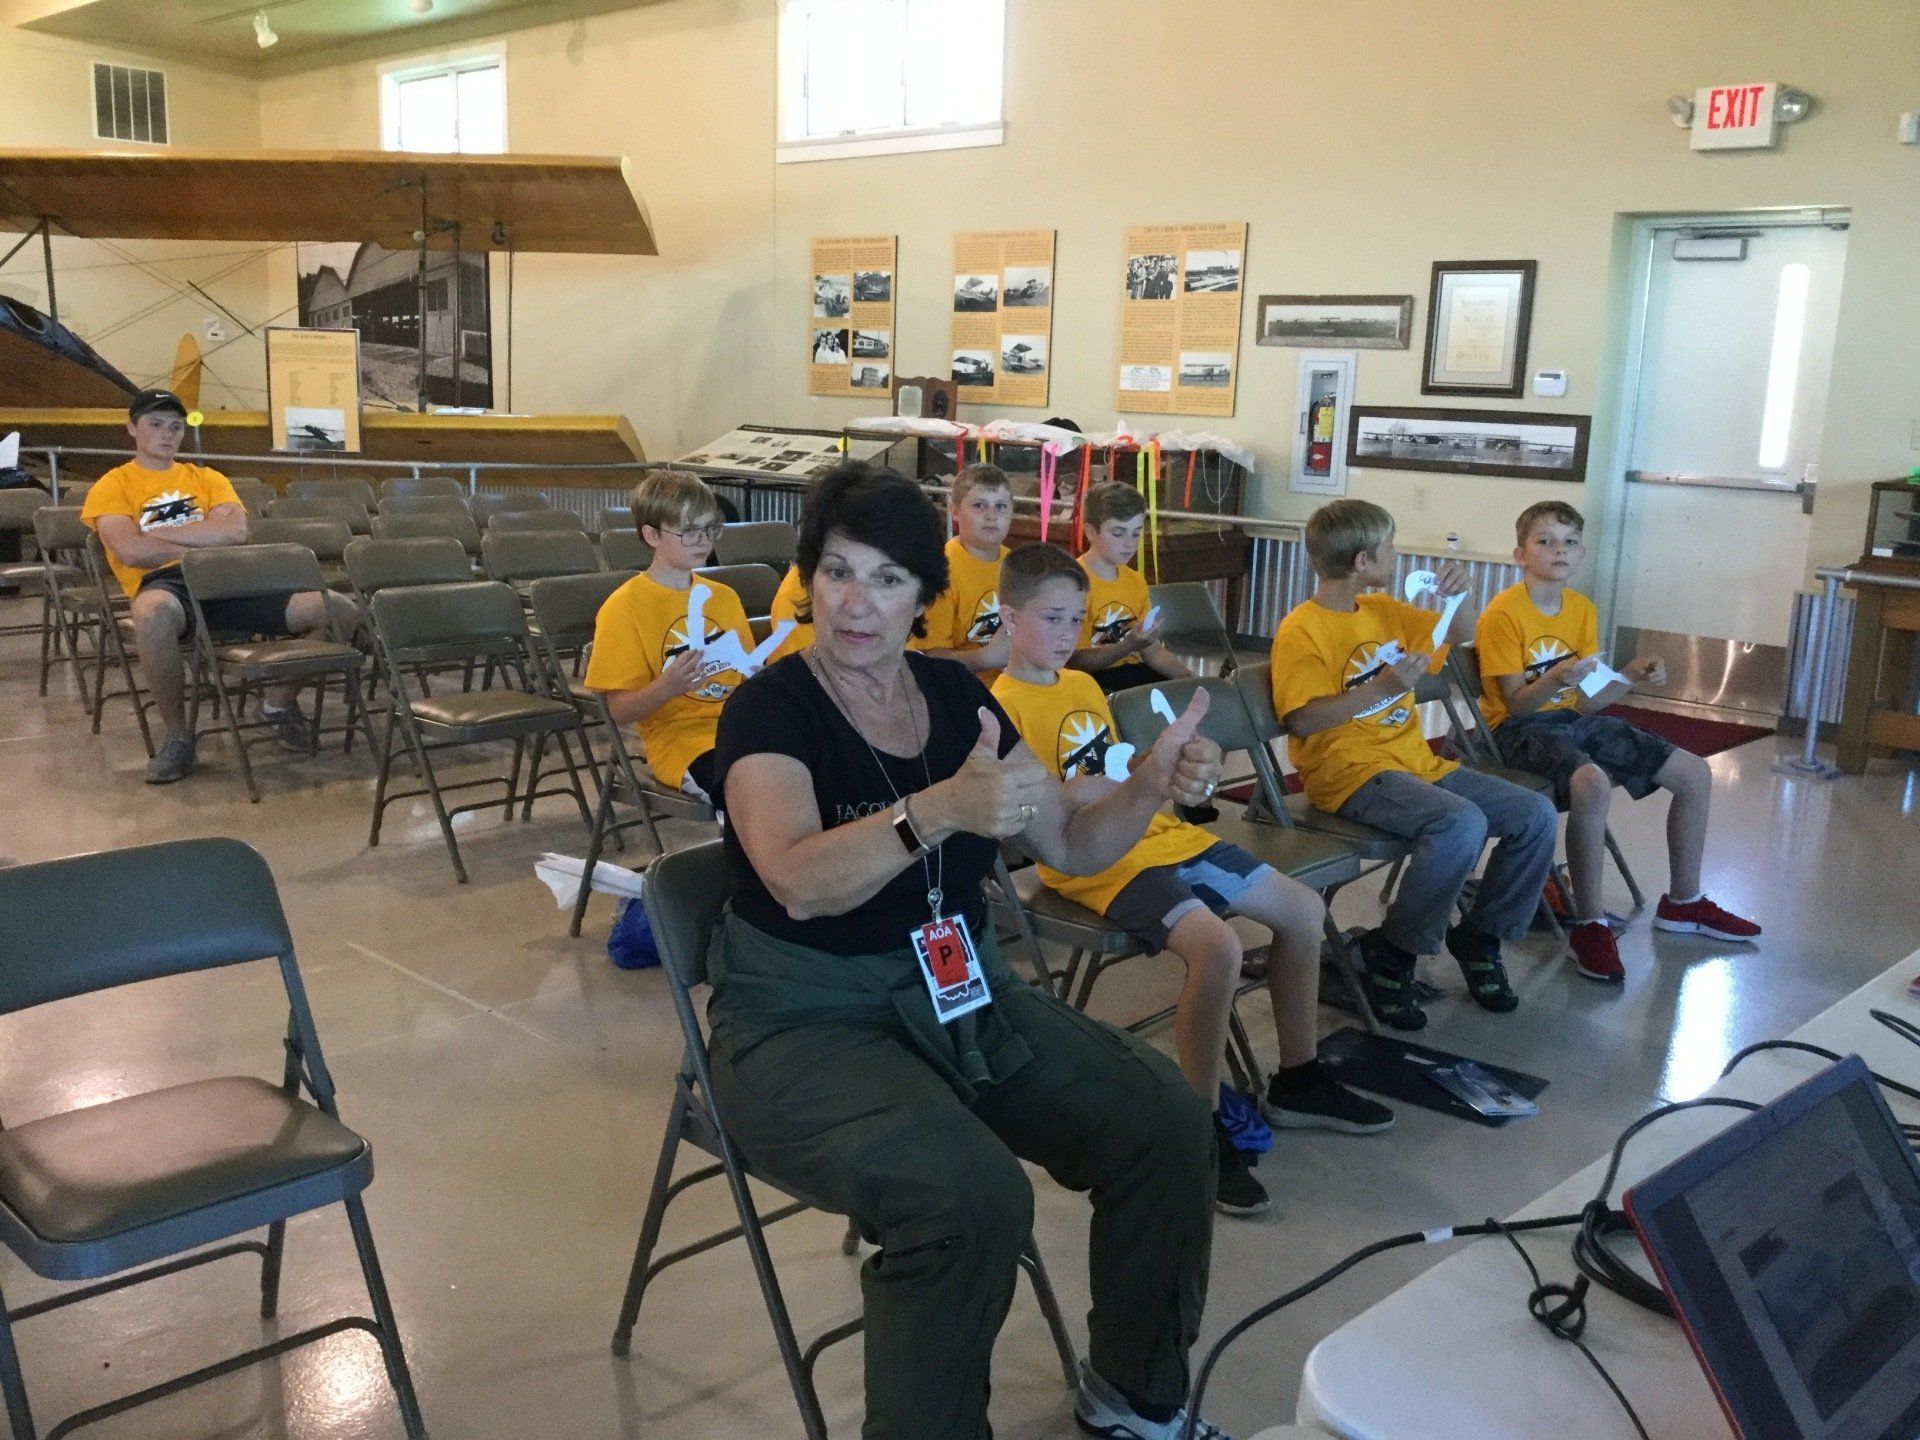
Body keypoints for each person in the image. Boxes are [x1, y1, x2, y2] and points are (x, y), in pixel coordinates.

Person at [707, 461, 1235, 1440]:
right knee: (970, 1197)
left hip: (956, 991)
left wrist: (1150, 785)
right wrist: (936, 810)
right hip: (799, 1022)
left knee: (1164, 1120)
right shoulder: (771, 708)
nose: (855, 603)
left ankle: (1133, 1394)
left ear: (926, 597)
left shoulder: (959, 702)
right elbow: (792, 877)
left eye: (886, 580)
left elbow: (1074, 842)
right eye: (835, 572)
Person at [992, 543, 1393, 1218]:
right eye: (1052, 618)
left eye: (1077, 620)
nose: (1067, 636)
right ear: (1007, 619)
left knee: (1300, 910)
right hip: (1095, 865)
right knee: (1219, 948)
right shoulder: (1001, 708)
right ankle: (1195, 1126)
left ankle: (1298, 1079)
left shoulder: (1086, 686)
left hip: (1158, 835)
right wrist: (1094, 788)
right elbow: (1032, 822)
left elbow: (1122, 768)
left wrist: (1174, 761)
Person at [1269, 499, 1556, 1030]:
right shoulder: (1302, 629)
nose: (1396, 555)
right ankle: (1395, 954)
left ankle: (1480, 934)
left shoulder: (1382, 612)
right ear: (1362, 561)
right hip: (1348, 773)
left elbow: (1459, 632)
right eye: (1389, 547)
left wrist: (1460, 595)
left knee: (1534, 813)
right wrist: (1382, 688)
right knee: (1459, 822)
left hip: (1409, 763)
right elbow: (1304, 722)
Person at [1476, 500, 1760, 982]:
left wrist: (1628, 676)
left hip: (1569, 720)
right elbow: (1517, 707)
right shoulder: (1503, 614)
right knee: (1591, 783)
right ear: (1520, 555)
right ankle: (1589, 924)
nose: (1558, 550)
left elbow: (1587, 702)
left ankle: (1684, 903)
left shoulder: (1582, 610)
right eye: (1544, 542)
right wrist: (1559, 676)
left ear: (1582, 552)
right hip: (1518, 731)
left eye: (1568, 542)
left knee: (1694, 772)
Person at [82, 388, 359, 785]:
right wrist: (203, 534)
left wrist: (163, 534)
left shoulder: (206, 477)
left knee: (338, 609)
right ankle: (178, 736)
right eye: (156, 424)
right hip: (167, 583)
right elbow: (131, 550)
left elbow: (237, 531)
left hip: (231, 576)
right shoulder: (113, 485)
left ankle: (276, 706)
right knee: (151, 614)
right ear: (132, 428)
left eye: (176, 427)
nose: (167, 434)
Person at [584, 469, 753, 800]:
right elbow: (618, 710)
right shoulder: (624, 606)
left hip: (740, 728)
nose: (704, 540)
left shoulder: (724, 597)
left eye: (709, 528)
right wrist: (668, 687)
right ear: (651, 535)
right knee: (751, 792)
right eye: (690, 531)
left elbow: (747, 678)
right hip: (681, 743)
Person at [1071, 481, 1193, 695]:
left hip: (1132, 674)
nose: (1129, 543)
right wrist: (1127, 646)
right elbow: (1075, 661)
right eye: (1118, 533)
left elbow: (1151, 651)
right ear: (1090, 531)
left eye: (1136, 533)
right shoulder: (1072, 583)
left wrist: (1189, 678)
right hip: (1094, 683)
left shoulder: (1135, 581)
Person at [917, 461, 1011, 678]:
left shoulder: (1018, 564)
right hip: (962, 693)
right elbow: (927, 656)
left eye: (1001, 506)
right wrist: (987, 658)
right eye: (979, 505)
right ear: (955, 511)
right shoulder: (941, 572)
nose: (991, 515)